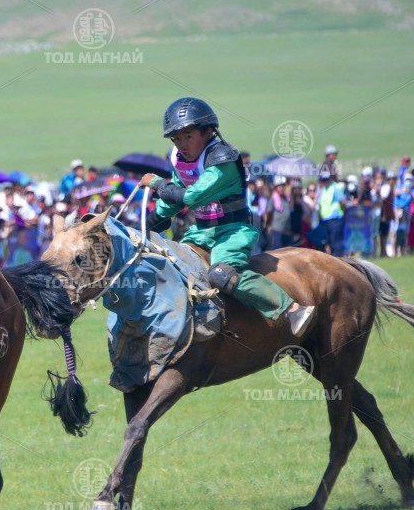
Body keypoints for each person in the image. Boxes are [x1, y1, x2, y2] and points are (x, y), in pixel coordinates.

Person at [140, 97, 315, 337]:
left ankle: (291, 308)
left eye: (188, 136)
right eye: (176, 139)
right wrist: (145, 225)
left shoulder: (222, 158)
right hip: (200, 232)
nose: (182, 144)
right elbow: (175, 195)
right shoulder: (180, 159)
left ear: (208, 132)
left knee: (219, 274)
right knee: (173, 267)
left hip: (233, 232)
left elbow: (191, 197)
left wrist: (158, 184)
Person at [316, 168, 347, 255]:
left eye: (326, 179)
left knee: (336, 243)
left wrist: (341, 213)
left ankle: (338, 259)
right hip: (325, 220)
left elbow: (343, 202)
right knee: (327, 242)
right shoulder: (323, 189)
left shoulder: (335, 188)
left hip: (335, 219)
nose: (324, 181)